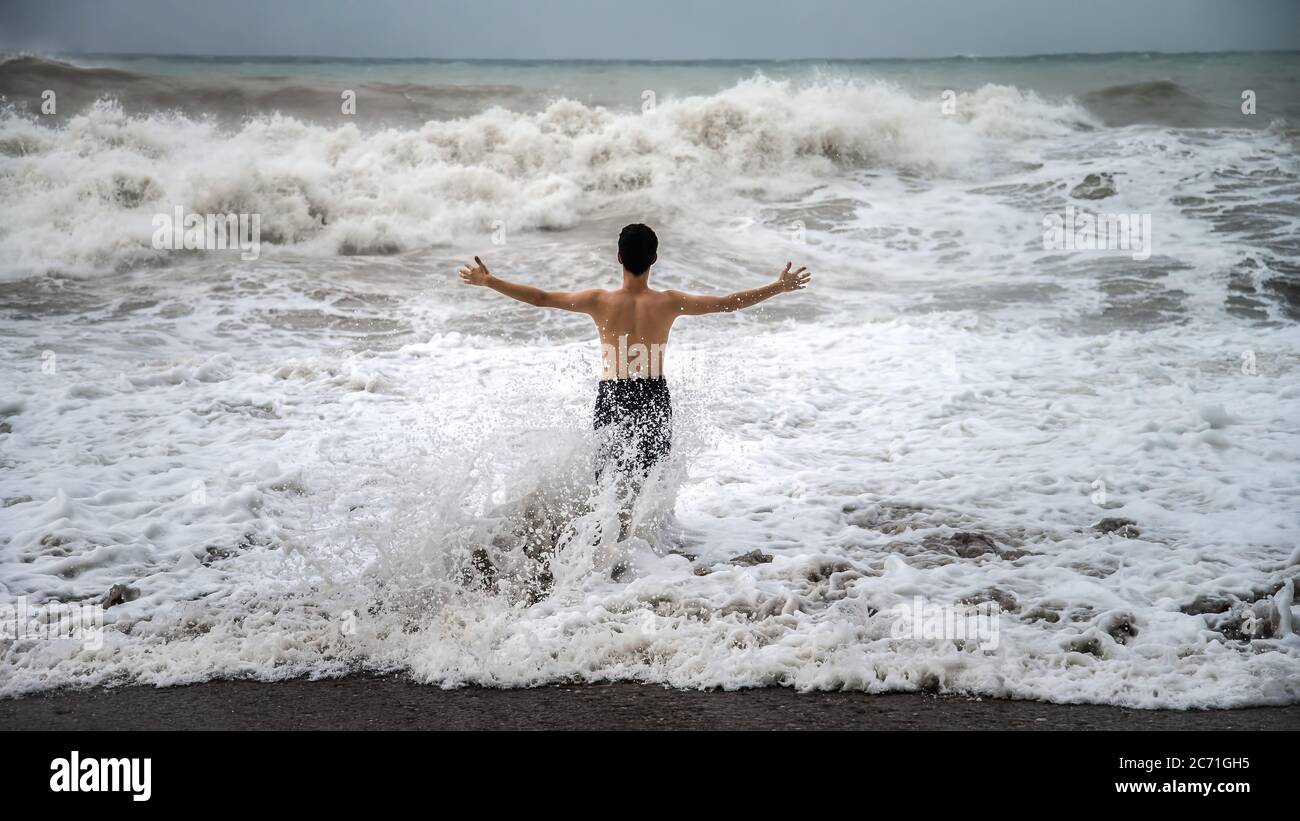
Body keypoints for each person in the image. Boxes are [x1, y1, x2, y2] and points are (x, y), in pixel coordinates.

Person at [458, 223, 811, 479]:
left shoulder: (599, 301)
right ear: (654, 259)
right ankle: (649, 550)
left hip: (613, 394)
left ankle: (608, 556)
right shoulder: (669, 303)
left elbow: (540, 299)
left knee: (607, 480)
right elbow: (726, 304)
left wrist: (489, 281)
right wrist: (777, 287)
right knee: (652, 478)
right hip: (654, 393)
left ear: (618, 258)